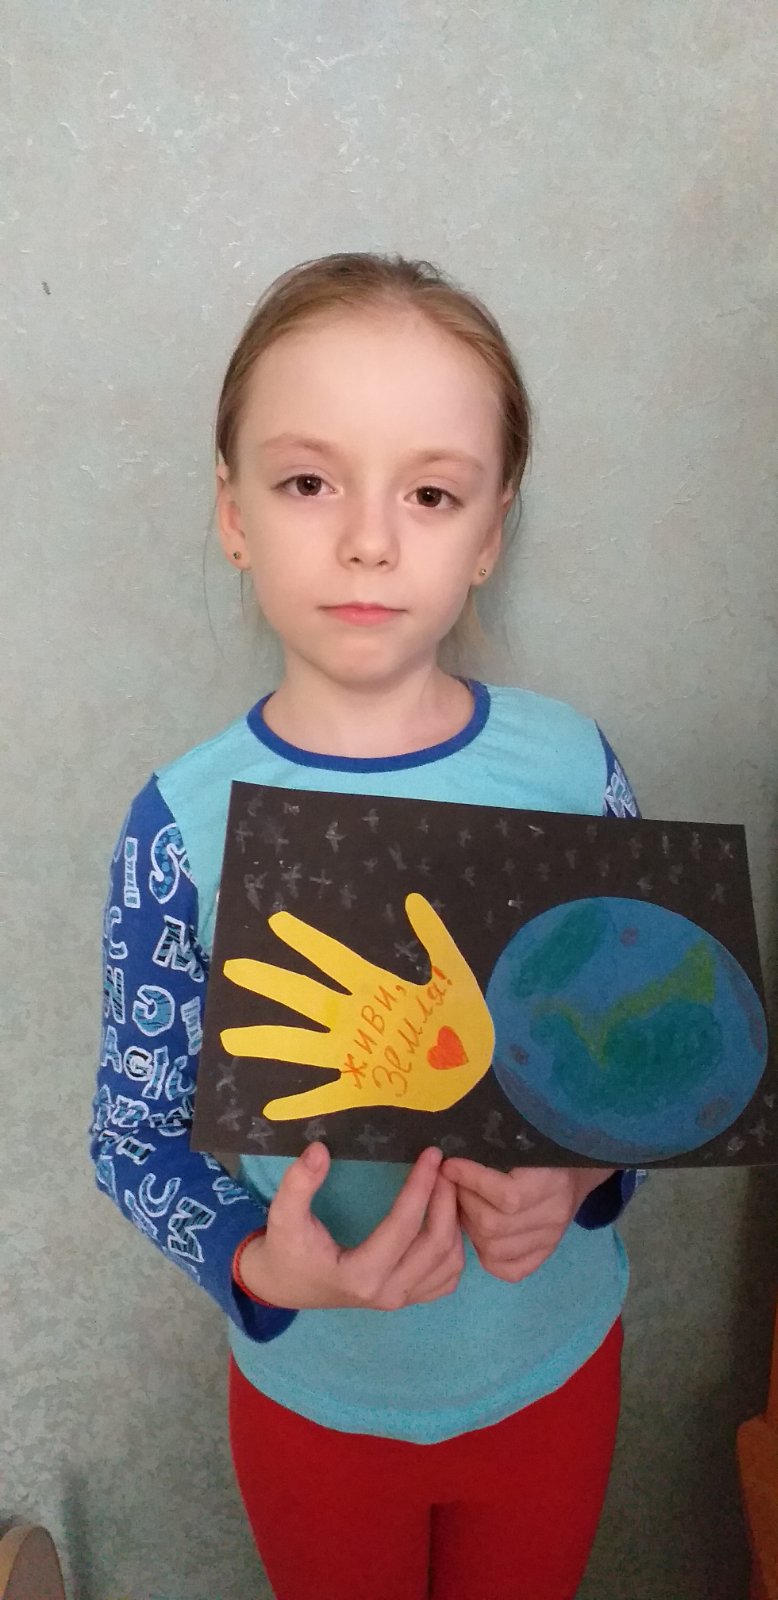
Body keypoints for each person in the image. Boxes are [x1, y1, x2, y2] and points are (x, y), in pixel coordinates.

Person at [90, 251, 644, 1600]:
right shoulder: (180, 825)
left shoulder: (575, 773)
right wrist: (260, 1263)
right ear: (231, 512)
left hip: (554, 1374)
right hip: (320, 1408)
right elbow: (132, 1132)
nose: (370, 541)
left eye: (431, 493)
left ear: (491, 531)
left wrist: (582, 1179)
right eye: (307, 482)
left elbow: (642, 1066)